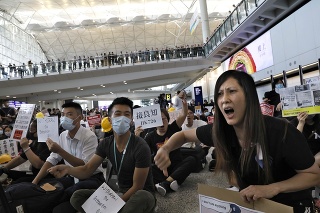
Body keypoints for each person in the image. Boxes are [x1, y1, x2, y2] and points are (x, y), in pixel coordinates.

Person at [154, 70, 320, 212]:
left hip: (289, 205)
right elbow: (183, 136)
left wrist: (272, 188)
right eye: (219, 94)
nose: (224, 99)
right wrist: (166, 148)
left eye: (231, 91)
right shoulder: (220, 132)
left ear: (249, 96)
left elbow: (313, 175)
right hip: (252, 204)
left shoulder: (282, 132)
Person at [48, 97, 156, 213]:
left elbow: (137, 187)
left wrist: (114, 205)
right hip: (118, 192)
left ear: (131, 120)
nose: (122, 118)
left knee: (142, 197)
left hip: (140, 195)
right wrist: (68, 169)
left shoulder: (140, 146)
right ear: (110, 119)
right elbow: (87, 169)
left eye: (127, 114)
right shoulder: (106, 143)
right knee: (77, 196)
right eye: (118, 114)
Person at [32, 102, 104, 212]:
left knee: (61, 199)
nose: (64, 118)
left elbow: (85, 167)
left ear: (79, 117)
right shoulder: (63, 135)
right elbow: (52, 159)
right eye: (63, 114)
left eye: (69, 114)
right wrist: (35, 181)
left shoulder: (89, 136)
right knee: (47, 188)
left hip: (91, 178)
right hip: (71, 177)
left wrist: (60, 151)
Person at [145, 95, 196, 196]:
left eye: (163, 119)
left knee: (191, 160)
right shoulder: (150, 137)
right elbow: (144, 153)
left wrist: (184, 104)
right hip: (160, 168)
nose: (161, 122)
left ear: (168, 120)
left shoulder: (173, 128)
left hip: (176, 165)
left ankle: (166, 183)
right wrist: (137, 135)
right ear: (154, 122)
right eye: (158, 120)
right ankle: (173, 181)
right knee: (148, 169)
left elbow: (183, 115)